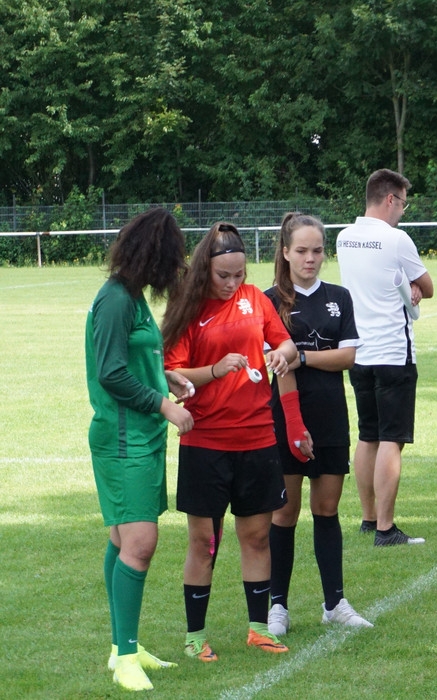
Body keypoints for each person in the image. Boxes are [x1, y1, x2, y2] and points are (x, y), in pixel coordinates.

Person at [162, 222, 305, 661]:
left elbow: (288, 346)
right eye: (223, 275)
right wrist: (216, 369)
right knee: (204, 540)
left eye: (239, 274)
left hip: (257, 437)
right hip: (205, 441)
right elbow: (171, 374)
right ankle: (195, 637)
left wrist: (281, 355)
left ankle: (258, 629)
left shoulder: (256, 300)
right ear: (205, 268)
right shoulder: (188, 308)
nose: (232, 283)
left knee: (257, 535)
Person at [86, 208, 194, 691]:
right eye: (172, 258)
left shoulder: (131, 297)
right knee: (140, 543)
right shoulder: (115, 300)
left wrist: (164, 376)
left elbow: (132, 358)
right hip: (122, 438)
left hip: (140, 438)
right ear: (154, 256)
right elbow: (110, 372)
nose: (176, 269)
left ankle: (121, 648)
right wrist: (163, 404)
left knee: (121, 539)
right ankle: (126, 658)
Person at [264, 213, 373, 638]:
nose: (310, 259)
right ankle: (277, 606)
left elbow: (347, 356)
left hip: (330, 416)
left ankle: (335, 603)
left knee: (326, 510)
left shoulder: (338, 298)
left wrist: (303, 356)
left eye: (317, 251)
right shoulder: (269, 300)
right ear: (286, 252)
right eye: (302, 251)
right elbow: (275, 363)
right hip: (284, 417)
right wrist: (293, 363)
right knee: (284, 513)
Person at [336, 168, 434, 545]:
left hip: (358, 350)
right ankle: (386, 528)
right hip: (393, 350)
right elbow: (427, 287)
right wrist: (410, 284)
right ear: (390, 199)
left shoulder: (345, 237)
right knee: (392, 439)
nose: (402, 212)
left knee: (368, 435)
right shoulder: (396, 239)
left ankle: (368, 517)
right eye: (403, 204)